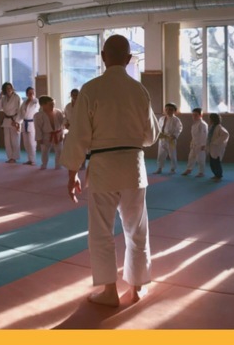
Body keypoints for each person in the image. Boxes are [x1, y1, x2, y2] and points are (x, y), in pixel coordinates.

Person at [60, 34, 160, 308]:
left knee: (101, 232)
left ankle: (109, 291)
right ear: (128, 59)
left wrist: (72, 174)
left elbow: (78, 136)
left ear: (103, 57)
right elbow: (151, 136)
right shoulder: (139, 91)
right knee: (137, 230)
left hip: (103, 170)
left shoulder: (91, 89)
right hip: (133, 169)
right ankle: (137, 287)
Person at [35, 95, 65, 170]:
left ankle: (58, 166)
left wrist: (62, 134)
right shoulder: (38, 115)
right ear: (43, 105)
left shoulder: (58, 112)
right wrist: (39, 138)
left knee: (59, 151)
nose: (53, 106)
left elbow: (62, 124)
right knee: (44, 151)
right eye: (50, 104)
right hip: (46, 135)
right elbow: (37, 128)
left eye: (53, 104)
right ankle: (44, 165)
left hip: (58, 133)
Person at [0, 81, 21, 163]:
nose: (9, 89)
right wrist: (0, 97)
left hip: (14, 119)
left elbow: (20, 110)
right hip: (6, 120)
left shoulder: (17, 97)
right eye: (7, 88)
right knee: (7, 140)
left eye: (10, 88)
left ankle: (15, 157)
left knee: (15, 140)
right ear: (4, 90)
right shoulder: (3, 98)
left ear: (12, 89)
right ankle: (10, 157)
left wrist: (17, 121)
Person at [154, 103, 182, 174]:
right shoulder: (161, 118)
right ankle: (160, 168)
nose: (168, 111)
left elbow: (179, 128)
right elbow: (158, 128)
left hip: (171, 139)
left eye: (170, 109)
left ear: (174, 111)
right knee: (160, 154)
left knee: (172, 155)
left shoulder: (176, 119)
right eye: (166, 109)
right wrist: (158, 134)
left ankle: (173, 169)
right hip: (162, 138)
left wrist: (175, 135)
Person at [181, 108, 208, 176]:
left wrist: (203, 145)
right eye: (193, 115)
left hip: (200, 144)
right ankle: (189, 169)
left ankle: (201, 172)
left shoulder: (203, 124)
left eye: (196, 115)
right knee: (191, 157)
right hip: (194, 144)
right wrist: (192, 142)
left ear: (201, 115)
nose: (194, 116)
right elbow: (194, 135)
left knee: (200, 159)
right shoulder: (195, 124)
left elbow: (204, 135)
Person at [207, 113, 230, 181]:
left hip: (217, 147)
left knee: (216, 162)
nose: (209, 120)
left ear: (213, 119)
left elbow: (226, 135)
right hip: (212, 147)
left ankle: (219, 175)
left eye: (210, 119)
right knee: (212, 163)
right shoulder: (212, 127)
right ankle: (215, 174)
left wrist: (216, 142)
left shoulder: (219, 127)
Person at [19, 87, 39, 165]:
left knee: (32, 142)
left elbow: (37, 107)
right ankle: (29, 159)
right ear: (26, 94)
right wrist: (17, 122)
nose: (31, 94)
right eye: (30, 93)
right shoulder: (24, 102)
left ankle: (33, 160)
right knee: (26, 143)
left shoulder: (36, 101)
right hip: (24, 123)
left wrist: (33, 99)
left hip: (32, 124)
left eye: (33, 93)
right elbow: (20, 114)